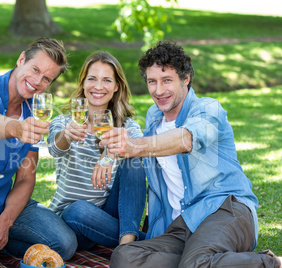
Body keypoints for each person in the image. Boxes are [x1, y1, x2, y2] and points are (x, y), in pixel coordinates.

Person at [102, 41, 282, 268]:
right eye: (152, 82)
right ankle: (206, 262)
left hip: (225, 210)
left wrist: (135, 146)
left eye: (167, 80)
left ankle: (271, 262)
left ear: (185, 79)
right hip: (182, 224)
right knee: (124, 257)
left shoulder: (209, 109)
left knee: (194, 264)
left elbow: (185, 139)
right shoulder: (153, 117)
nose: (158, 91)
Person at [0, 37, 77, 261]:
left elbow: (25, 178)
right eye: (35, 69)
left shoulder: (34, 113)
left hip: (1, 204)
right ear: (21, 59)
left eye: (46, 78)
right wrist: (16, 128)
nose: (37, 81)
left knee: (64, 244)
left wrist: (5, 220)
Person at [47, 51, 147, 250]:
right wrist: (67, 135)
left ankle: (126, 247)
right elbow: (54, 149)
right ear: (83, 83)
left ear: (116, 86)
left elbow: (138, 147)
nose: (98, 86)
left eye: (107, 80)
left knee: (133, 162)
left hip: (110, 216)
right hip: (74, 222)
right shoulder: (65, 122)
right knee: (78, 210)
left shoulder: (128, 127)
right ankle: (150, 242)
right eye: (92, 79)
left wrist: (108, 155)